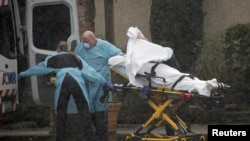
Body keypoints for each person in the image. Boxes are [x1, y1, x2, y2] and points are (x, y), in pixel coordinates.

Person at [18, 41, 115, 141]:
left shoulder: (53, 59)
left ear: (57, 49)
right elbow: (91, 72)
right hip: (76, 83)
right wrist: (105, 82)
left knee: (61, 113)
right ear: (67, 48)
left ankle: (60, 138)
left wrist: (22, 74)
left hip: (64, 82)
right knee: (84, 112)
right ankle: (90, 137)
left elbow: (37, 68)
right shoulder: (76, 58)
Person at [74, 31, 123, 141]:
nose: (84, 44)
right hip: (86, 84)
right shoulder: (80, 48)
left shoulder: (104, 46)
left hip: (101, 85)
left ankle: (102, 136)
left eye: (86, 41)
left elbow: (119, 55)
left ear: (93, 39)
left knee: (101, 111)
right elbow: (75, 61)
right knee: (88, 110)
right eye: (83, 41)